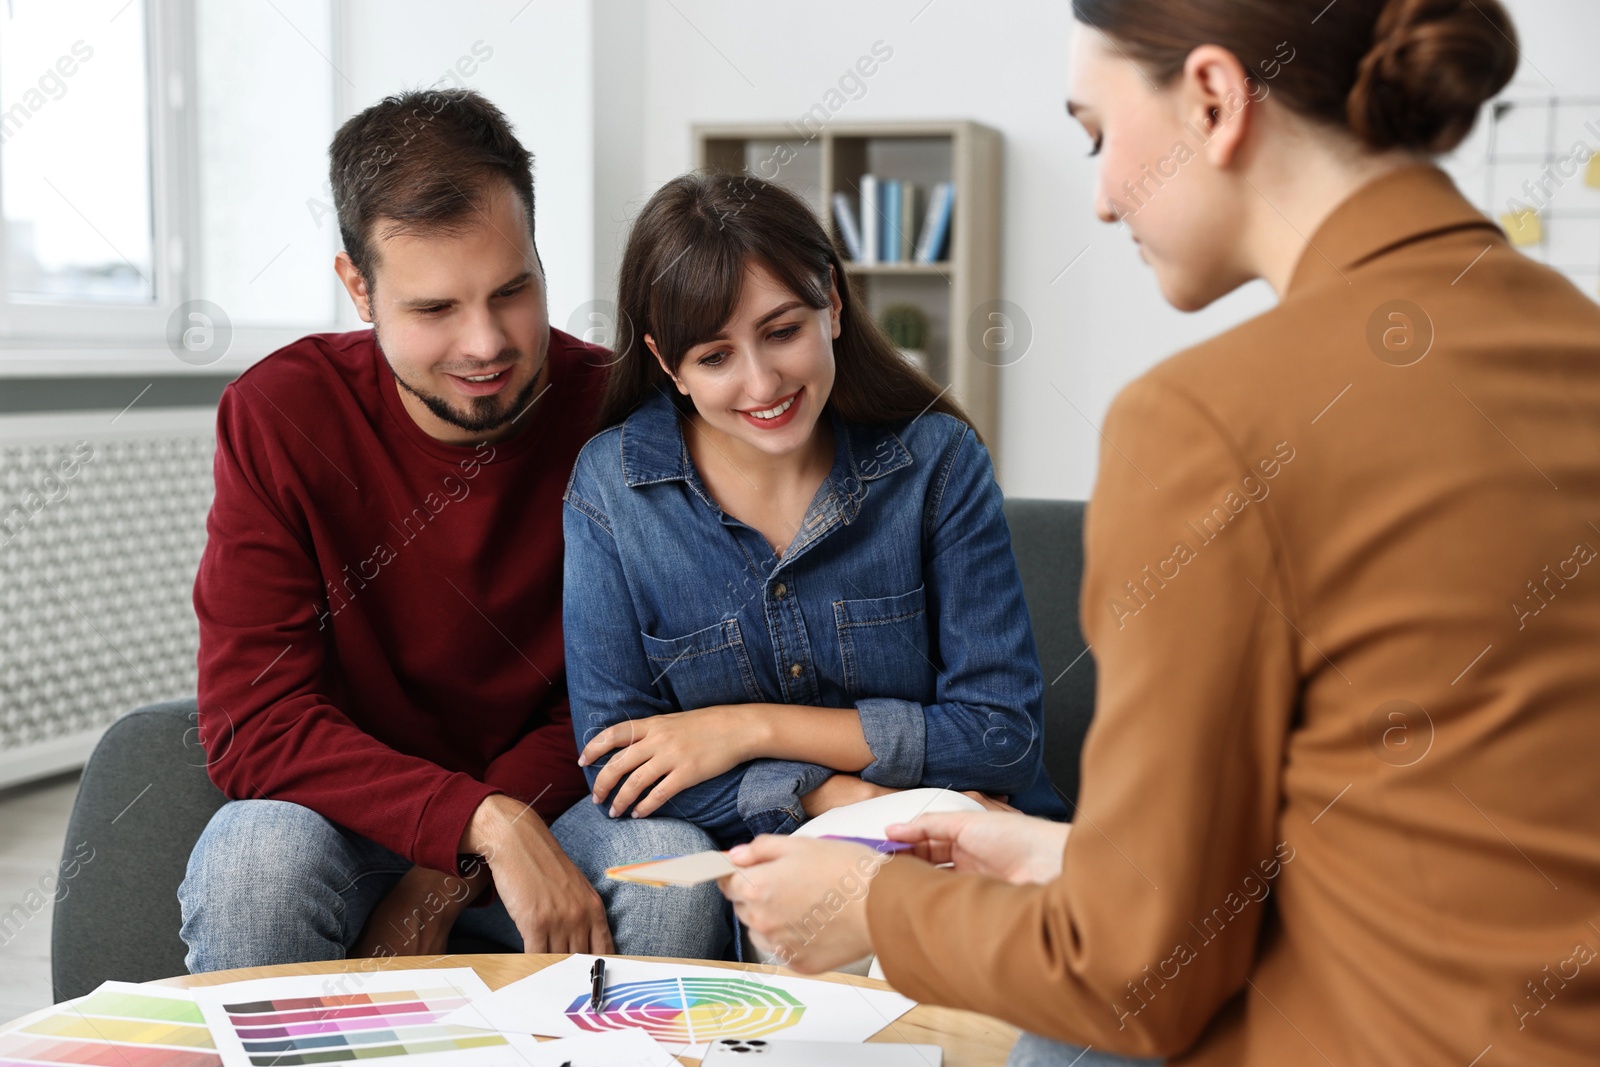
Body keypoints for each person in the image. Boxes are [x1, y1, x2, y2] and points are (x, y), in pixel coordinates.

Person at [719, 1, 1600, 1064]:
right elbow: (1414, 826)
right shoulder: (1568, 344)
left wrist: (871, 902)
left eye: (1096, 133)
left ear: (1216, 100)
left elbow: (1132, 976)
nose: (1098, 199)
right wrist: (1067, 851)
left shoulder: (1209, 421)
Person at [179, 89, 730, 970]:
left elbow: (637, 696)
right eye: (434, 310)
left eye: (513, 291)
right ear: (358, 288)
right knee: (253, 866)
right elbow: (256, 719)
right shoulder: (279, 414)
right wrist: (477, 823)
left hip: (565, 806)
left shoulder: (620, 414)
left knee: (671, 872)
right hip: (354, 813)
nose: (486, 343)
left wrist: (449, 872)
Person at [561, 173, 1067, 867]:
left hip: (965, 842)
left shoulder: (936, 461)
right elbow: (621, 766)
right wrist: (836, 797)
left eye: (783, 331)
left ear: (830, 303)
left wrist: (746, 729)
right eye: (715, 357)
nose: (763, 384)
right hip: (778, 868)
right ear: (666, 364)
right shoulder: (613, 488)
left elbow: (1000, 736)